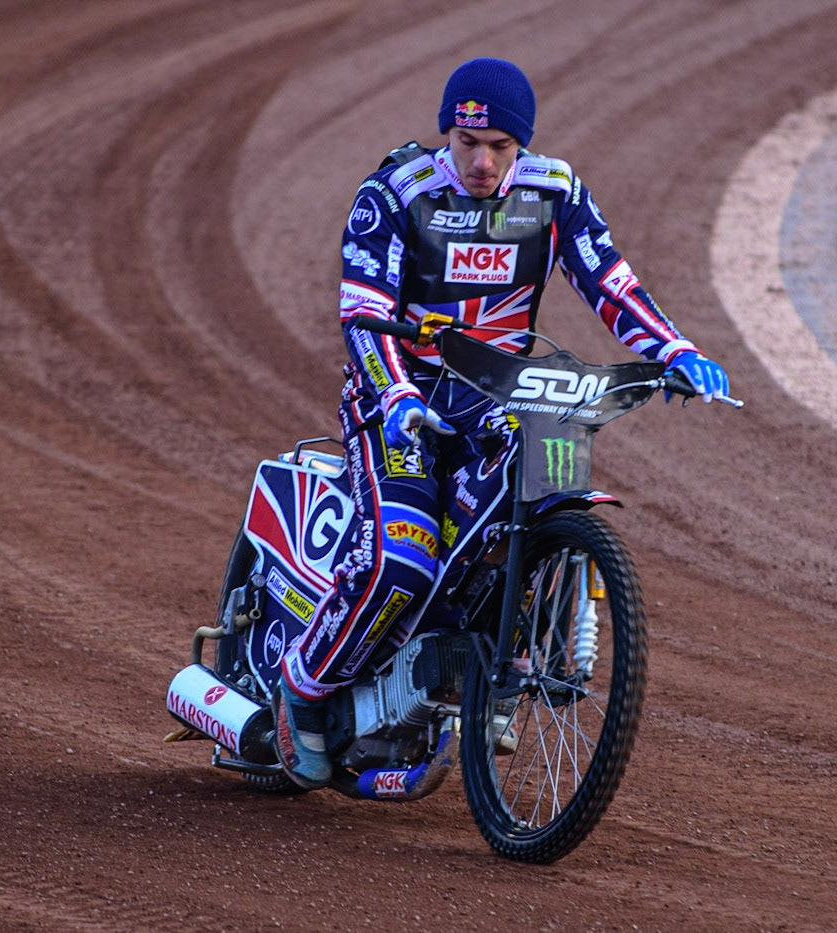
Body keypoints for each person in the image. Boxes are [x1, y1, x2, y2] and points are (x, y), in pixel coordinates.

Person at [273, 57, 730, 788]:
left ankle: (505, 668)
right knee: (402, 561)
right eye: (465, 143)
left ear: (523, 146)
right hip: (396, 398)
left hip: (498, 395)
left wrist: (672, 349)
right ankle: (302, 685)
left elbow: (608, 280)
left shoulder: (555, 192)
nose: (481, 162)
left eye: (499, 148)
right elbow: (361, 314)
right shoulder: (392, 194)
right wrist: (395, 397)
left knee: (542, 481)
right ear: (446, 133)